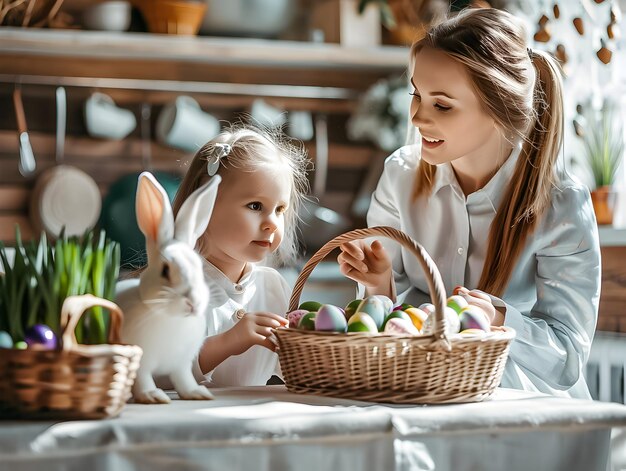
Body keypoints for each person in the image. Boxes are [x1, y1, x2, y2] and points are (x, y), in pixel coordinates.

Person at [337, 8, 600, 399]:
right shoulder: (400, 175)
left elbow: (567, 358)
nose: (417, 117)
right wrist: (379, 286)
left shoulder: (562, 205)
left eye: (441, 105)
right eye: (416, 94)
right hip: (423, 391)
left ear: (499, 109)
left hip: (525, 410)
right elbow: (392, 325)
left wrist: (499, 319)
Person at [171, 123, 310, 387]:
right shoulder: (176, 286)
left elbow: (298, 372)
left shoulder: (272, 287)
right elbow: (153, 376)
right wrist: (227, 342)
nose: (272, 223)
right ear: (204, 205)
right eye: (255, 206)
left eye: (280, 209)